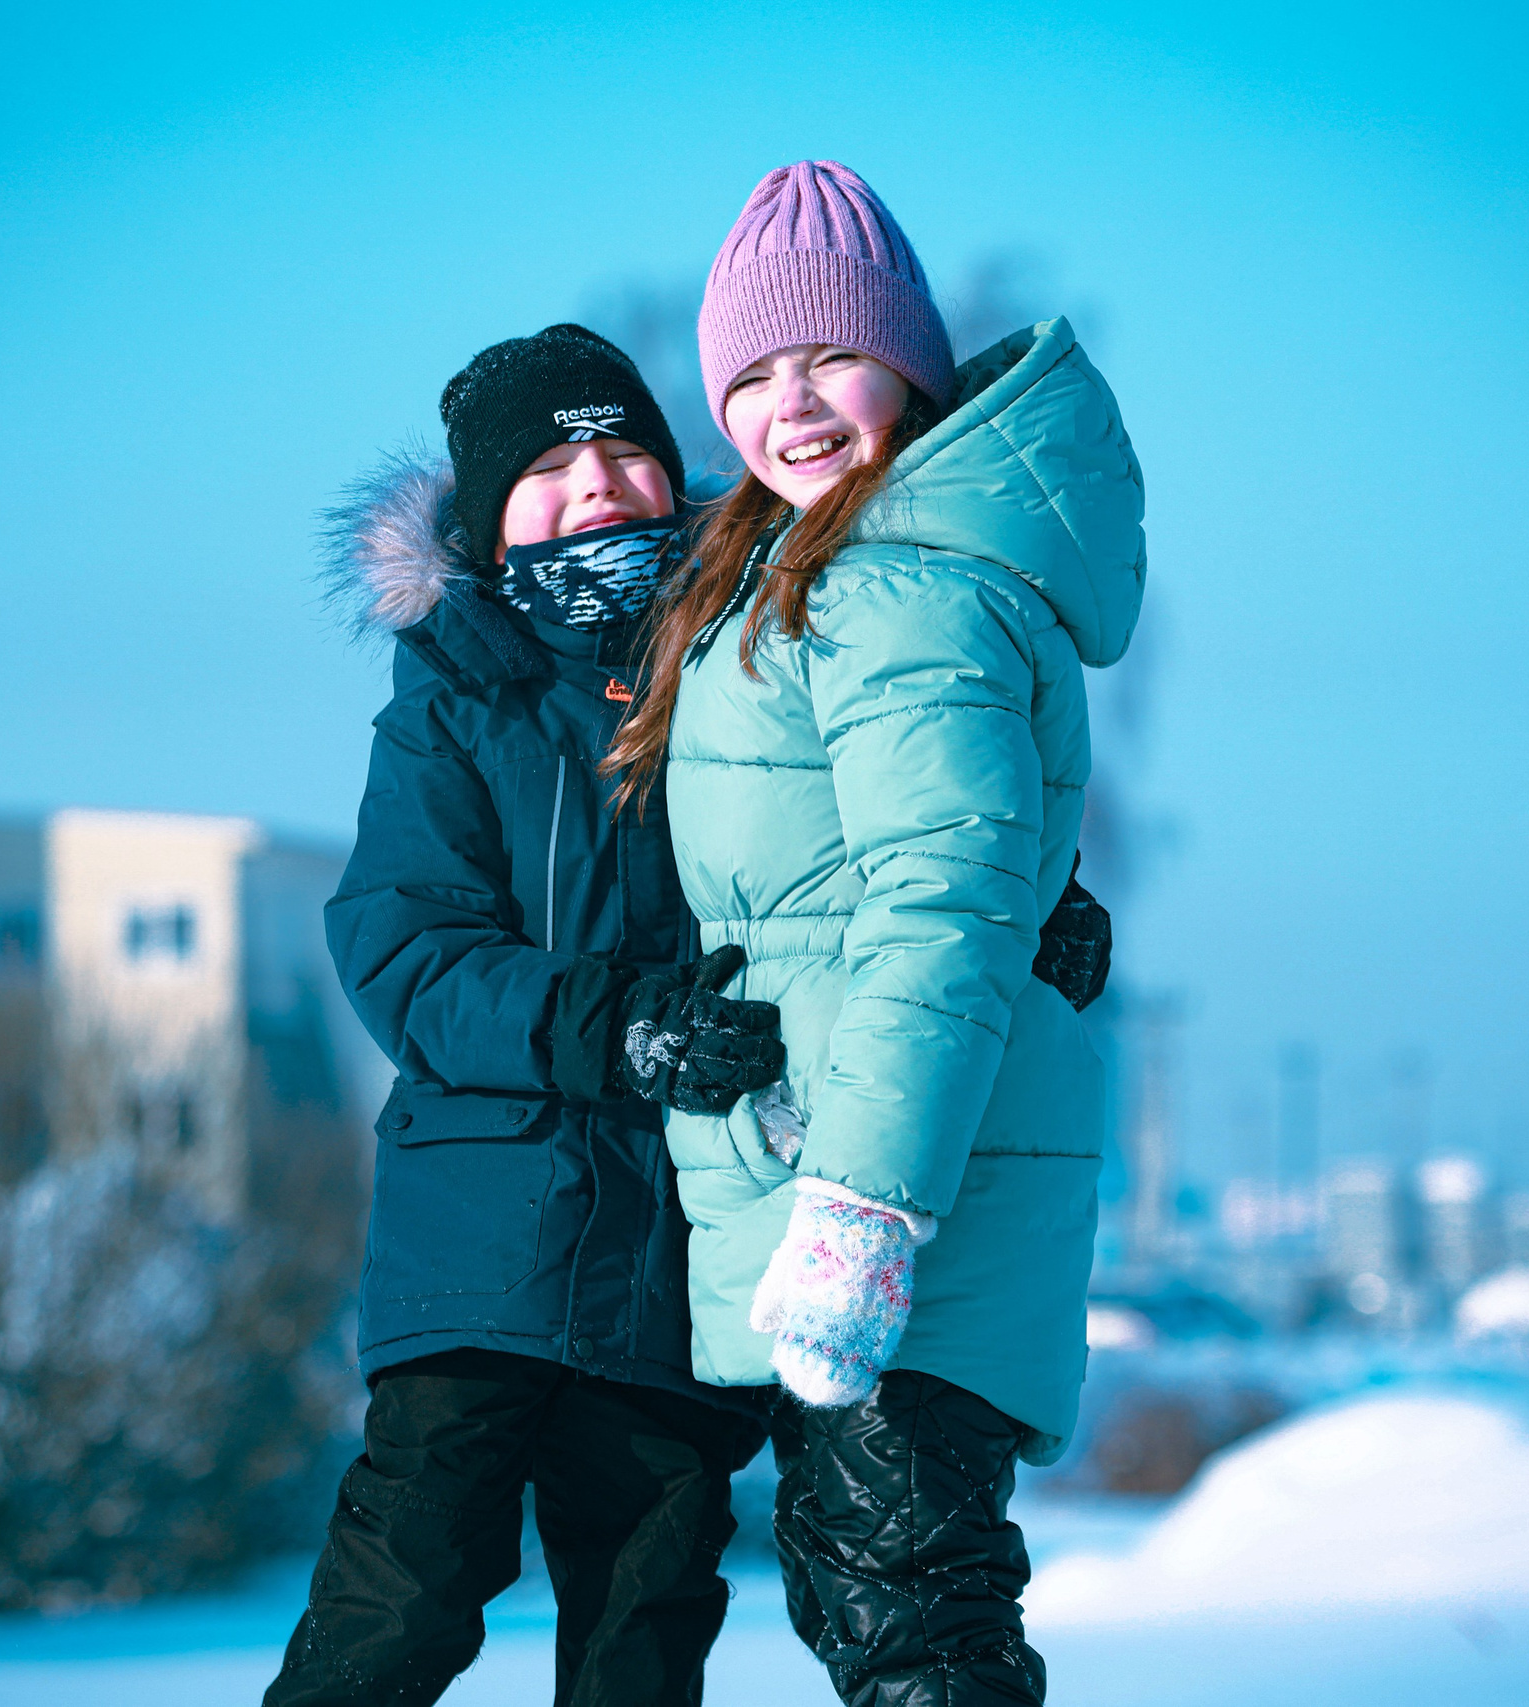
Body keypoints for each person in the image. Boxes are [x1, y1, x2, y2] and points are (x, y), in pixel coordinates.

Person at [603, 161, 1147, 1706]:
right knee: (892, 1609)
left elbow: (939, 902)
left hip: (897, 1203)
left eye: (830, 357)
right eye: (757, 375)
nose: (797, 405)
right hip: (860, 1168)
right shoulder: (798, 566)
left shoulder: (894, 586)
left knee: (912, 1621)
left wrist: (861, 1209)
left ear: (904, 360)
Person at [264, 323, 784, 1707]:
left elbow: (874, 843)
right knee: (406, 1601)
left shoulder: (753, 674)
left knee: (644, 1631)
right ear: (490, 519)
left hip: (676, 1259)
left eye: (623, 451)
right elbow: (406, 952)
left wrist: (1039, 901)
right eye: (553, 465)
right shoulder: (450, 704)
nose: (598, 482)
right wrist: (610, 1028)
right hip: (481, 1254)